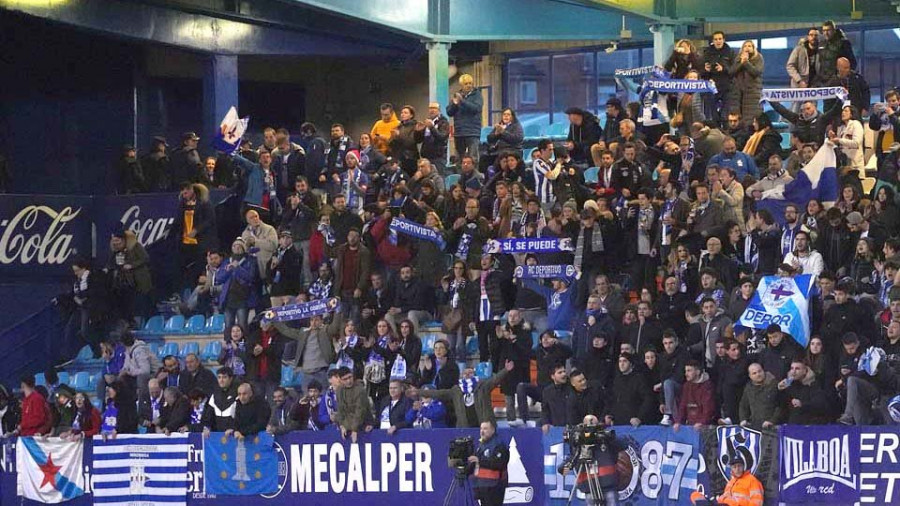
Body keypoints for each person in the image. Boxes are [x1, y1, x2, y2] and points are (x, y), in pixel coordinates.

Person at [420, 361, 513, 428]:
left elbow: (495, 380)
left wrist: (505, 370)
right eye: (465, 373)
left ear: (475, 374)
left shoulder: (482, 386)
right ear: (462, 375)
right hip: (465, 428)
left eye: (470, 372)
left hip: (484, 427)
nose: (468, 375)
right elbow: (439, 393)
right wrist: (419, 392)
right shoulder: (456, 390)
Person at [558, 415, 620, 506]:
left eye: (593, 426)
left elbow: (624, 444)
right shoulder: (580, 444)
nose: (589, 432)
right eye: (587, 427)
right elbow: (571, 459)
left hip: (608, 485)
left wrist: (606, 437)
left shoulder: (605, 440)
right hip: (589, 487)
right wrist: (563, 467)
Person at [174, 182, 218, 292]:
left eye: (186, 192)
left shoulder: (204, 203)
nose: (184, 195)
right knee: (184, 271)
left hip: (200, 244)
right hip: (184, 243)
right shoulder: (182, 204)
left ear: (192, 190)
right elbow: (178, 222)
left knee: (198, 270)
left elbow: (210, 220)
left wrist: (197, 230)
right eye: (183, 192)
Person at [604, 353, 655, 427]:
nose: (621, 364)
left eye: (624, 361)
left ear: (631, 364)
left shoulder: (639, 379)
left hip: (633, 423)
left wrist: (639, 417)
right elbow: (612, 399)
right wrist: (609, 414)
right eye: (620, 361)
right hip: (617, 423)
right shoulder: (616, 380)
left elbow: (648, 399)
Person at [469, 420, 509, 506]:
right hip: (482, 484)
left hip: (494, 486)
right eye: (481, 429)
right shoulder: (481, 444)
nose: (482, 431)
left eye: (485, 429)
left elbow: (498, 464)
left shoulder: (498, 445)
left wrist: (479, 460)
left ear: (493, 430)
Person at [447, 74, 483, 161]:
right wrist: (455, 104)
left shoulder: (477, 95)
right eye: (466, 84)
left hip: (472, 132)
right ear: (461, 85)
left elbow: (476, 108)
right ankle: (460, 174)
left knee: (473, 158)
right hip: (459, 132)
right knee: (459, 159)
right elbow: (449, 112)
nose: (469, 85)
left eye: (470, 83)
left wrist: (462, 101)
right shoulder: (457, 96)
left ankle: (474, 174)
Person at [702, 31, 735, 121]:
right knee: (713, 117)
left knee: (725, 117)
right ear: (713, 41)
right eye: (716, 39)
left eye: (720, 39)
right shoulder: (707, 53)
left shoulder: (730, 52)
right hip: (711, 87)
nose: (718, 41)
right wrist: (706, 70)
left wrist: (723, 69)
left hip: (727, 87)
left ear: (724, 40)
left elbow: (734, 70)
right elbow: (700, 72)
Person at [335, 367, 374, 443]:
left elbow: (360, 410)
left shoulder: (359, 389)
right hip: (347, 424)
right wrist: (341, 425)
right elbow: (340, 409)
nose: (348, 381)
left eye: (350, 377)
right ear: (340, 380)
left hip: (363, 423)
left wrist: (354, 429)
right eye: (345, 379)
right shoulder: (339, 390)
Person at [268, 230, 302, 307]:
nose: (285, 240)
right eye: (283, 238)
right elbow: (269, 271)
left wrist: (279, 264)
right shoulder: (275, 253)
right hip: (276, 291)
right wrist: (272, 268)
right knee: (276, 317)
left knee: (288, 316)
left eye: (288, 238)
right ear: (279, 240)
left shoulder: (295, 254)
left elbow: (294, 272)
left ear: (292, 240)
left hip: (289, 291)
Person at [202, 367, 239, 433]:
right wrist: (207, 427)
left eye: (224, 377)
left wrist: (234, 429)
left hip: (233, 435)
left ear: (230, 379)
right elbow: (209, 415)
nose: (221, 380)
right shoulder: (214, 394)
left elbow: (241, 416)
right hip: (217, 435)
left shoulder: (238, 394)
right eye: (219, 377)